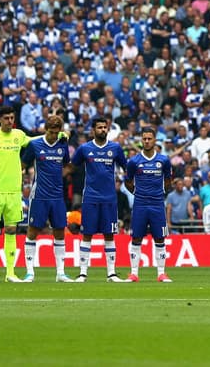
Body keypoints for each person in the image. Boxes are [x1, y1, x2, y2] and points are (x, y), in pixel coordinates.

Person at [0, 105, 35, 283]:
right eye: (7, 118)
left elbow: (35, 141)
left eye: (12, 118)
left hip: (13, 191)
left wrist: (56, 135)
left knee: (11, 230)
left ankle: (10, 273)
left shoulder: (19, 135)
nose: (10, 121)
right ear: (0, 119)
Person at [72, 115, 129, 282]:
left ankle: (111, 273)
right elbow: (72, 165)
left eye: (105, 127)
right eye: (99, 127)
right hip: (90, 197)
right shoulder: (84, 149)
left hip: (110, 198)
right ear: (93, 130)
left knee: (109, 234)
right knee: (87, 234)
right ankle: (83, 273)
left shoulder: (116, 148)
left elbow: (126, 167)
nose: (103, 130)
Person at [22, 114, 73, 283]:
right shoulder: (34, 145)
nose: (53, 135)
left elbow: (66, 164)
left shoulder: (62, 144)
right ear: (46, 130)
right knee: (32, 231)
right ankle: (29, 272)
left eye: (56, 132)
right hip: (39, 196)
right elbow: (22, 166)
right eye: (51, 132)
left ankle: (60, 273)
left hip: (58, 196)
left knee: (59, 232)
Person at [125, 126, 173, 283]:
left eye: (149, 138)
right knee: (136, 238)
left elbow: (168, 181)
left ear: (154, 140)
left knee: (159, 238)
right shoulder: (134, 162)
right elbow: (128, 182)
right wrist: (138, 194)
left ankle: (161, 273)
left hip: (157, 204)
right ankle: (133, 273)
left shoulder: (163, 160)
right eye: (144, 139)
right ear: (141, 140)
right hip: (140, 204)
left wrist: (160, 194)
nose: (146, 141)